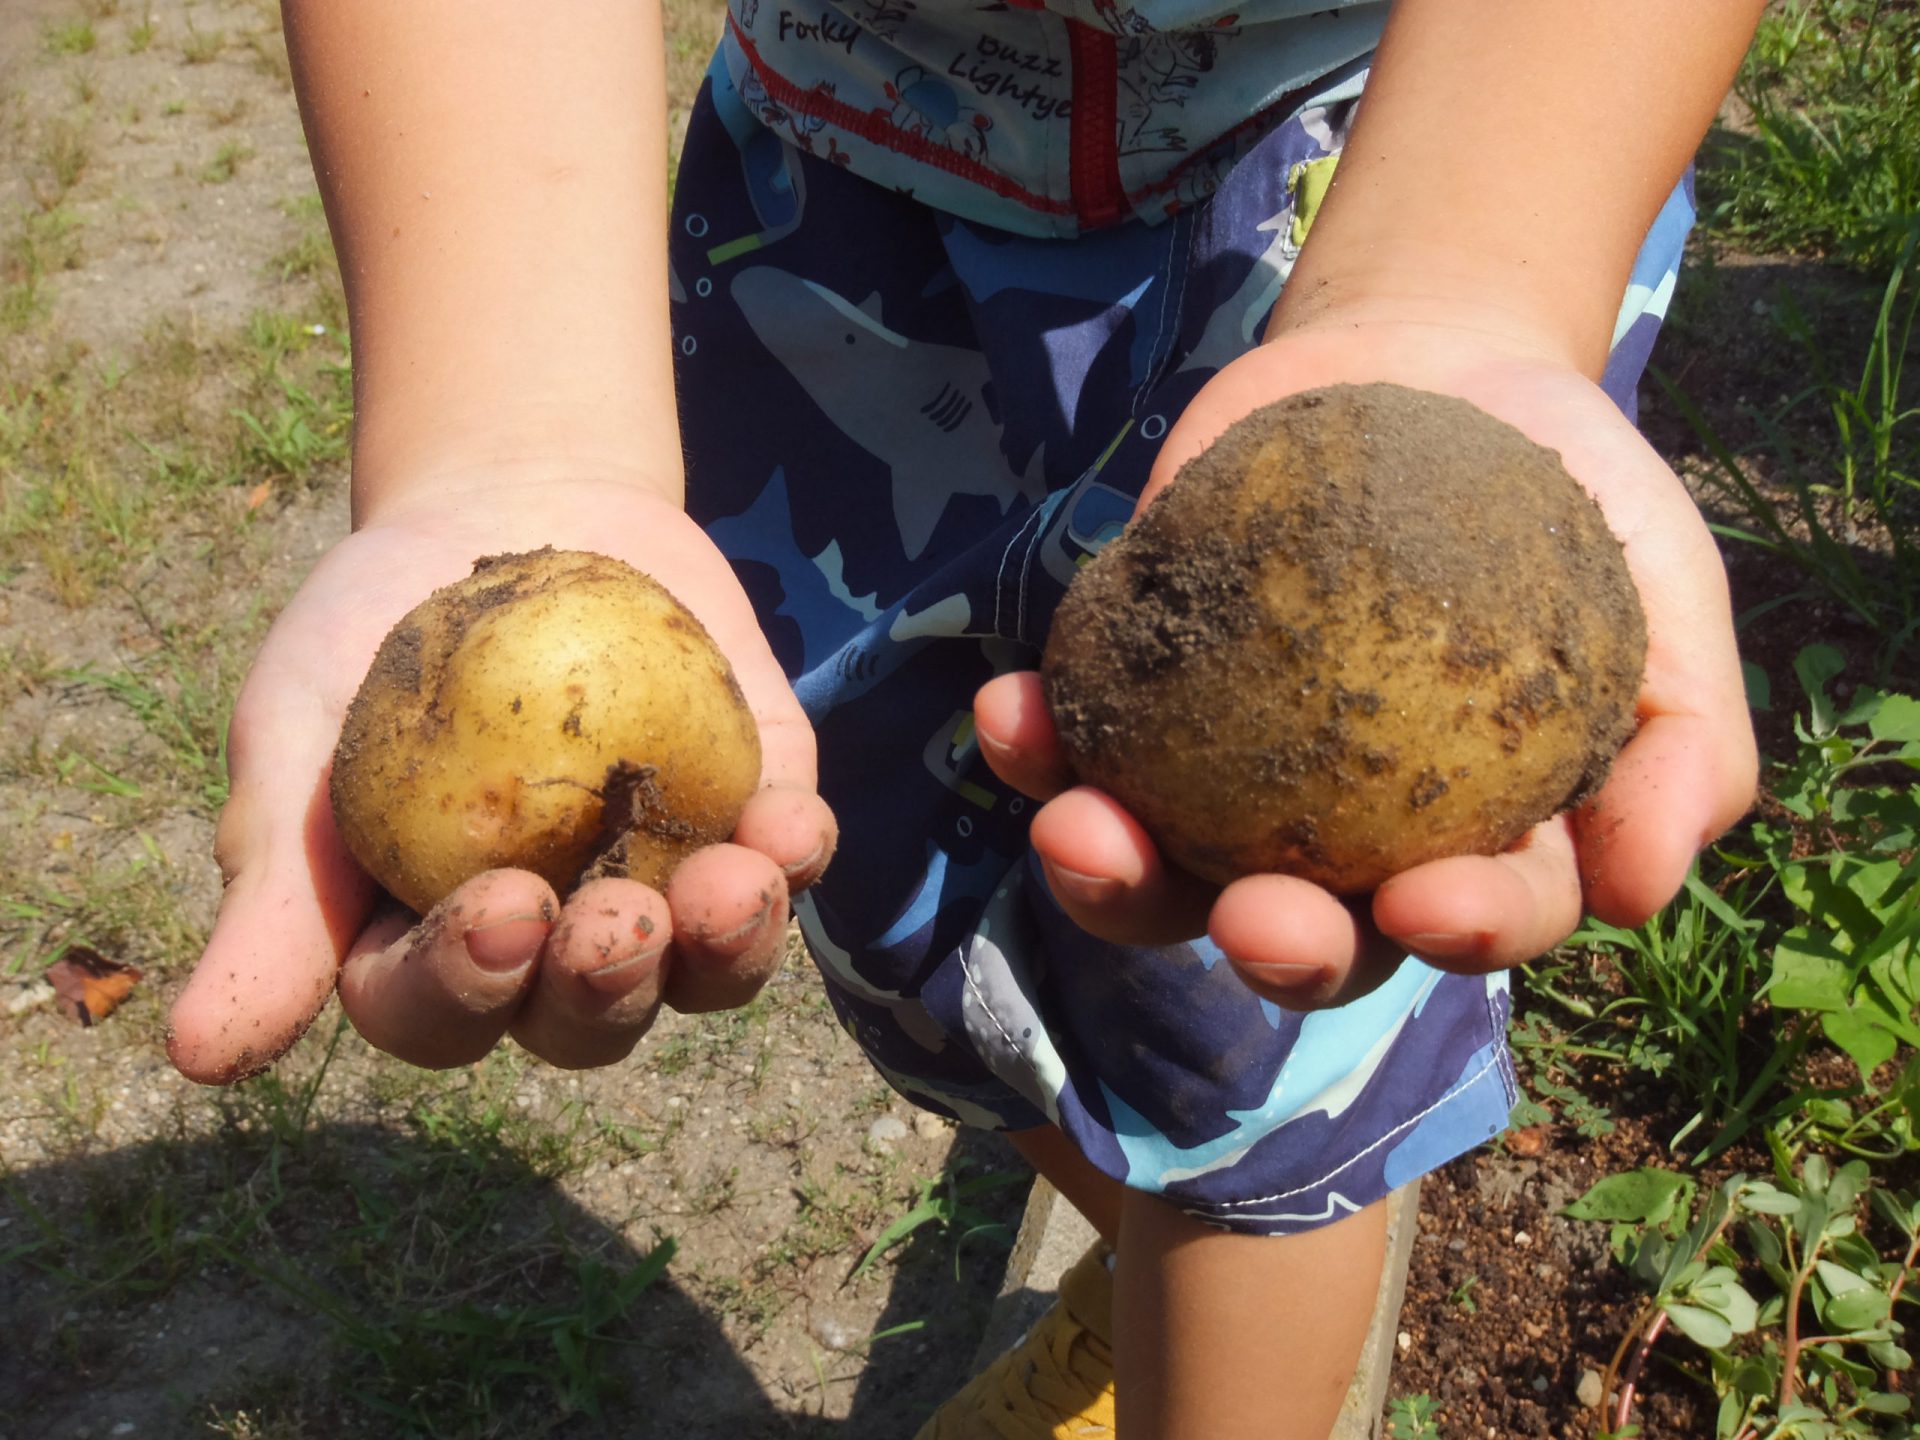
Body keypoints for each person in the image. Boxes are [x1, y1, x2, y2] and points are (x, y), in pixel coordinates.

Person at [167, 1, 1763, 1435]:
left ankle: (1210, 1351)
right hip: (838, 193)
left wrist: (1474, 270)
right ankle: (1136, 1268)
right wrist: (503, 425)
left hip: (1400, 157)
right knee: (901, 902)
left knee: (1246, 1048)